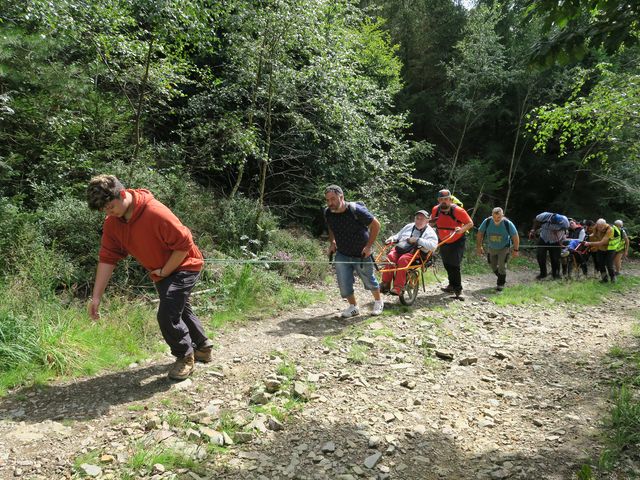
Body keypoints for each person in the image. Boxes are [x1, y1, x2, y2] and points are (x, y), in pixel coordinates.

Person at [87, 175, 212, 381]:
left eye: (110, 207)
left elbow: (184, 244)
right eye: (104, 210)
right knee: (177, 307)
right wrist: (96, 297)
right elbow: (107, 259)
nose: (108, 213)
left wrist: (164, 271)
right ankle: (202, 347)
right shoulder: (113, 223)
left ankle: (184, 356)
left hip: (185, 265)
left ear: (123, 194)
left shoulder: (155, 212)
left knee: (167, 313)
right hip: (160, 270)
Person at [324, 185, 384, 317]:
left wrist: (368, 247)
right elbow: (330, 226)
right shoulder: (328, 212)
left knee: (369, 280)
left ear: (341, 197)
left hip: (362, 254)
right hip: (343, 253)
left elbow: (376, 225)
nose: (330, 203)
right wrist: (332, 242)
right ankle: (353, 307)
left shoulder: (356, 210)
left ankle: (378, 301)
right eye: (327, 200)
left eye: (333, 199)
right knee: (344, 283)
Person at [381, 210, 438, 295]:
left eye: (421, 219)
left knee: (403, 260)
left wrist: (418, 240)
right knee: (390, 257)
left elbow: (433, 246)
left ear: (427, 221)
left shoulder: (430, 232)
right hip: (401, 249)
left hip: (416, 253)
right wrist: (391, 239)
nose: (418, 221)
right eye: (417, 218)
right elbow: (398, 236)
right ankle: (385, 284)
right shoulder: (409, 226)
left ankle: (398, 287)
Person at [429, 189, 474, 298]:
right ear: (438, 200)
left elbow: (470, 223)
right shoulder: (436, 210)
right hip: (443, 240)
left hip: (457, 240)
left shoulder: (458, 211)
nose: (444, 201)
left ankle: (458, 290)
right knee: (447, 263)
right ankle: (451, 285)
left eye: (446, 199)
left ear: (450, 199)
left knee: (454, 264)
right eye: (441, 199)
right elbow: (431, 222)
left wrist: (461, 230)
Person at [476, 207, 520, 291]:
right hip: (491, 247)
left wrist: (516, 250)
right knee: (492, 265)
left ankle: (500, 284)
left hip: (504, 247)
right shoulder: (487, 221)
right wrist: (479, 246)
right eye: (494, 217)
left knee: (502, 266)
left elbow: (515, 236)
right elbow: (480, 233)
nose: (496, 219)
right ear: (492, 215)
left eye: (499, 217)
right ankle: (501, 277)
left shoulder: (507, 223)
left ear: (502, 215)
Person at [529, 212, 570, 280]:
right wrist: (533, 230)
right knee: (540, 256)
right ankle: (543, 274)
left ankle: (555, 275)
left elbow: (566, 227)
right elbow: (535, 220)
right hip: (543, 239)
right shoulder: (543, 216)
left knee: (555, 259)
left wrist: (558, 230)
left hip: (556, 241)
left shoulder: (564, 220)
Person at [584, 218, 616, 283]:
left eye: (601, 227)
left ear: (605, 225)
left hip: (610, 248)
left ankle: (613, 279)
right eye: (598, 226)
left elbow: (602, 242)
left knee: (609, 264)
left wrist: (590, 243)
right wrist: (588, 237)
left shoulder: (610, 229)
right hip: (601, 248)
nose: (600, 228)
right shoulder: (596, 226)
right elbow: (594, 234)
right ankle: (604, 279)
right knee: (601, 264)